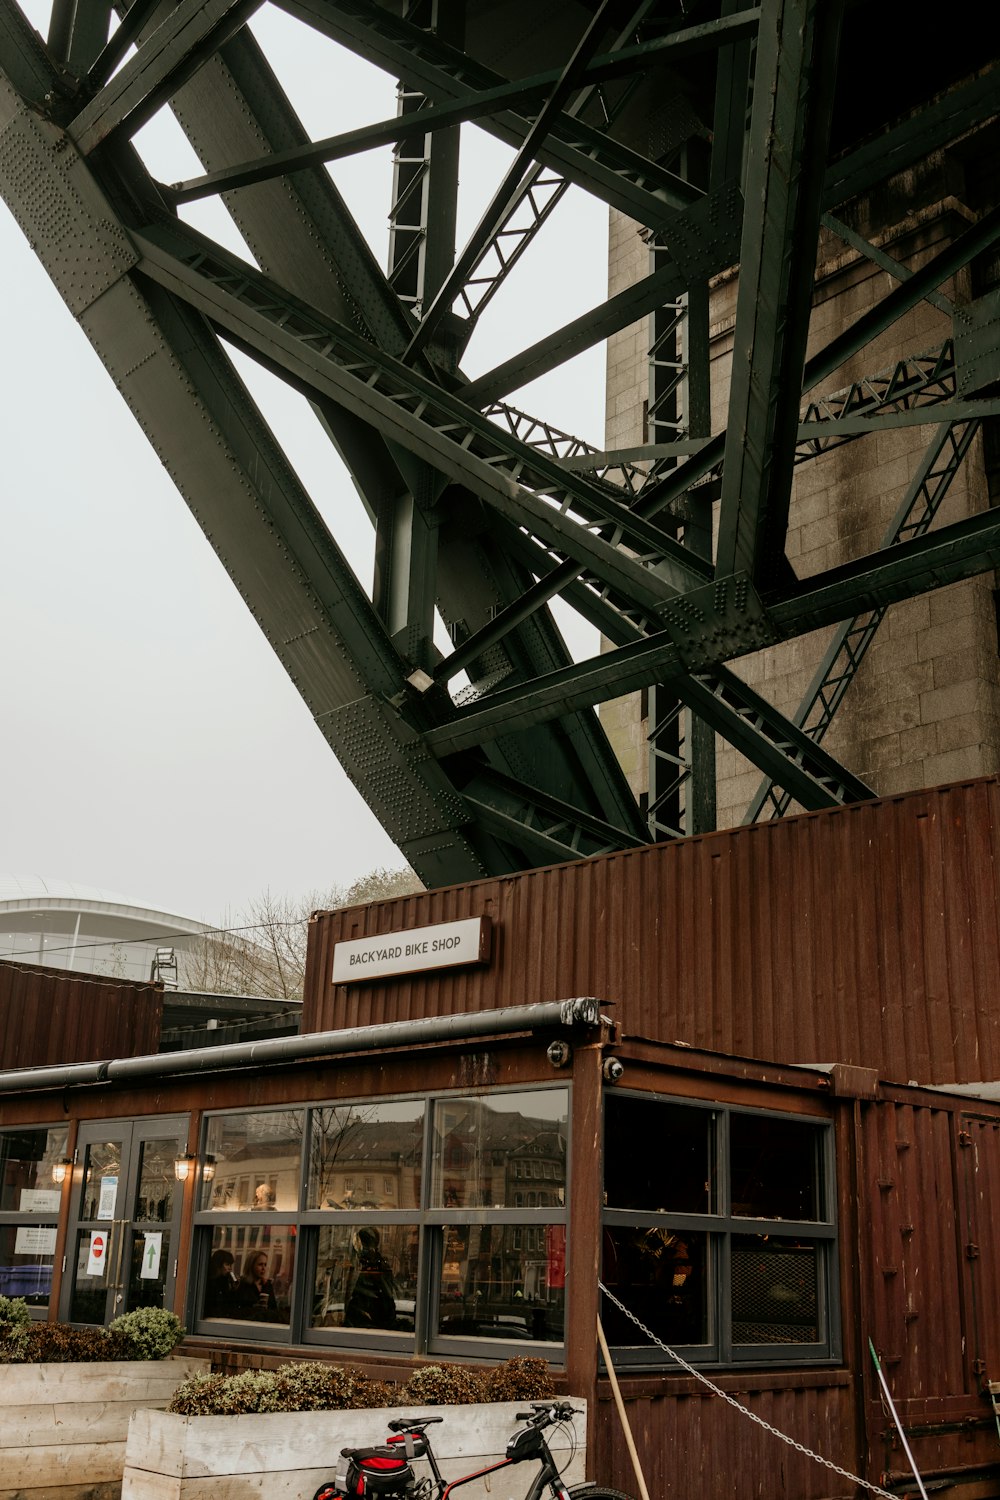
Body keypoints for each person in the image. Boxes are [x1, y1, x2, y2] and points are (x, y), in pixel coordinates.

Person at [344, 1227, 396, 1329]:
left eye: (360, 1243)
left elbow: (385, 1295)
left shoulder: (376, 1266)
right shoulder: (365, 1264)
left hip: (371, 1320)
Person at [236, 1250, 277, 1315]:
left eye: (265, 1265)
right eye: (260, 1264)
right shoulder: (241, 1284)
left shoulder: (267, 1285)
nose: (263, 1268)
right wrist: (253, 1309)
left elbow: (274, 1308)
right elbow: (236, 1310)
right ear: (251, 1266)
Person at [204, 1248, 237, 1317]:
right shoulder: (208, 1282)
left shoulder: (225, 1281)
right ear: (219, 1264)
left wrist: (233, 1289)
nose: (230, 1268)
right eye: (227, 1264)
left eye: (230, 1265)